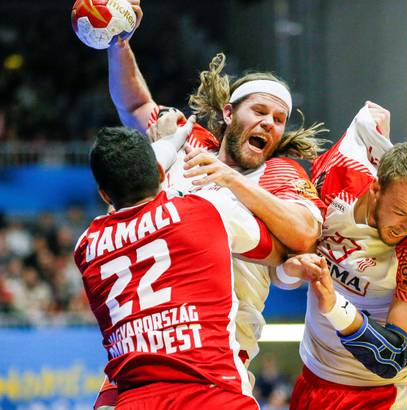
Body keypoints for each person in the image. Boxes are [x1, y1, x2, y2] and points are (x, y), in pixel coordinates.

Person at [95, 1, 327, 407]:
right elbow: (133, 106)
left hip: (213, 356)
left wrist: (232, 181)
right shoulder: (184, 138)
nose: (270, 123)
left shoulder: (281, 175)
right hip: (145, 345)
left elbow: (306, 234)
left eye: (278, 119)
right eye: (260, 111)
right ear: (227, 112)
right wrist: (119, 43)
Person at [75, 126, 287, 409]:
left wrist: (169, 144)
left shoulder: (86, 246)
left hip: (135, 400)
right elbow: (279, 251)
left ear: (103, 194)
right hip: (214, 396)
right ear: (161, 175)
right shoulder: (209, 208)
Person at [278, 102, 407, 409]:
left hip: (378, 396)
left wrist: (336, 307)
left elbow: (393, 357)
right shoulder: (337, 173)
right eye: (401, 212)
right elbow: (369, 116)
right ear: (375, 189)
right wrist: (287, 271)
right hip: (310, 382)